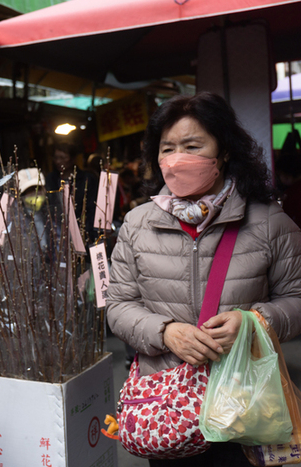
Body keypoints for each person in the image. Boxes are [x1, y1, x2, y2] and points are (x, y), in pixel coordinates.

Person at [106, 92, 301, 466]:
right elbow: (118, 306)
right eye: (168, 148)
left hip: (245, 405)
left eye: (192, 145)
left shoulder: (269, 223)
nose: (178, 158)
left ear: (223, 150)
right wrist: (165, 332)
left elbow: (296, 298)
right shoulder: (136, 224)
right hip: (168, 406)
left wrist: (253, 321)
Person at [46, 143, 99, 243]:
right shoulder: (51, 179)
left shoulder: (86, 179)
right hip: (60, 232)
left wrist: (89, 233)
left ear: (73, 158)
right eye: (56, 157)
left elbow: (92, 208)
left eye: (63, 158)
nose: (58, 161)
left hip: (83, 230)